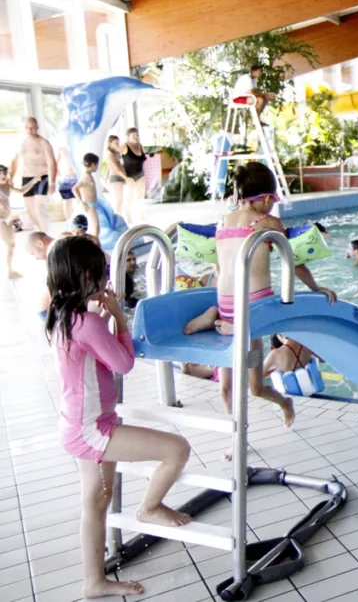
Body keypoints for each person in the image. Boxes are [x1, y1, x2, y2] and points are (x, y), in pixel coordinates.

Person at [46, 236, 192, 599]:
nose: (105, 278)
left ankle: (93, 582)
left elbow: (99, 356)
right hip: (93, 428)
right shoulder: (88, 322)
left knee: (97, 501)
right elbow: (123, 364)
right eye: (100, 272)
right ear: (85, 275)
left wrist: (107, 320)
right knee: (176, 450)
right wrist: (120, 318)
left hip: (74, 421)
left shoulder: (61, 315)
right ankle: (150, 507)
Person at [182, 163, 336, 432]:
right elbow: (294, 261)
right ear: (267, 199)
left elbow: (218, 267)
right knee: (242, 387)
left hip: (232, 306)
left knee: (240, 389)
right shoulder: (268, 223)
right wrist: (316, 288)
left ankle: (282, 402)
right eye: (274, 200)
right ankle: (241, 435)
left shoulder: (223, 221)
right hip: (252, 309)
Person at [10, 117, 56, 234]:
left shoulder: (43, 142)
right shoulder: (21, 142)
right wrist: (11, 177)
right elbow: (14, 161)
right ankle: (41, 230)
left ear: (37, 127)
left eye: (32, 128)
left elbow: (52, 162)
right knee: (30, 210)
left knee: (40, 207)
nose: (30, 130)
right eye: (27, 128)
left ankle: (45, 232)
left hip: (42, 176)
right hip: (26, 177)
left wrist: (52, 182)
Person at [0, 166, 41, 278]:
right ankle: (9, 271)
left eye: (4, 173)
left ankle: (11, 270)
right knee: (8, 245)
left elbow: (22, 190)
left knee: (12, 245)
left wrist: (33, 181)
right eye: (1, 173)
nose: (4, 175)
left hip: (7, 218)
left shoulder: (6, 186)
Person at [120, 128, 147, 225]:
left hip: (140, 174)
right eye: (133, 135)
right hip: (129, 175)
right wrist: (121, 174)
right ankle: (127, 217)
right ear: (128, 137)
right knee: (129, 197)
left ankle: (141, 215)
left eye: (137, 135)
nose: (136, 137)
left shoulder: (140, 146)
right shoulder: (124, 146)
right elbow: (115, 159)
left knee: (140, 196)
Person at [72, 153, 101, 237]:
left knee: (95, 227)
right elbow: (74, 189)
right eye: (97, 165)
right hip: (89, 205)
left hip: (91, 204)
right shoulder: (86, 177)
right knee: (95, 228)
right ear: (93, 164)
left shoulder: (88, 176)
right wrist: (81, 202)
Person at [54, 145, 79, 220]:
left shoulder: (77, 145)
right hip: (66, 178)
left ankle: (78, 221)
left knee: (80, 200)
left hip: (77, 176)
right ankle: (69, 221)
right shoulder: (61, 149)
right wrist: (59, 176)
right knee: (67, 202)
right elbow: (55, 163)